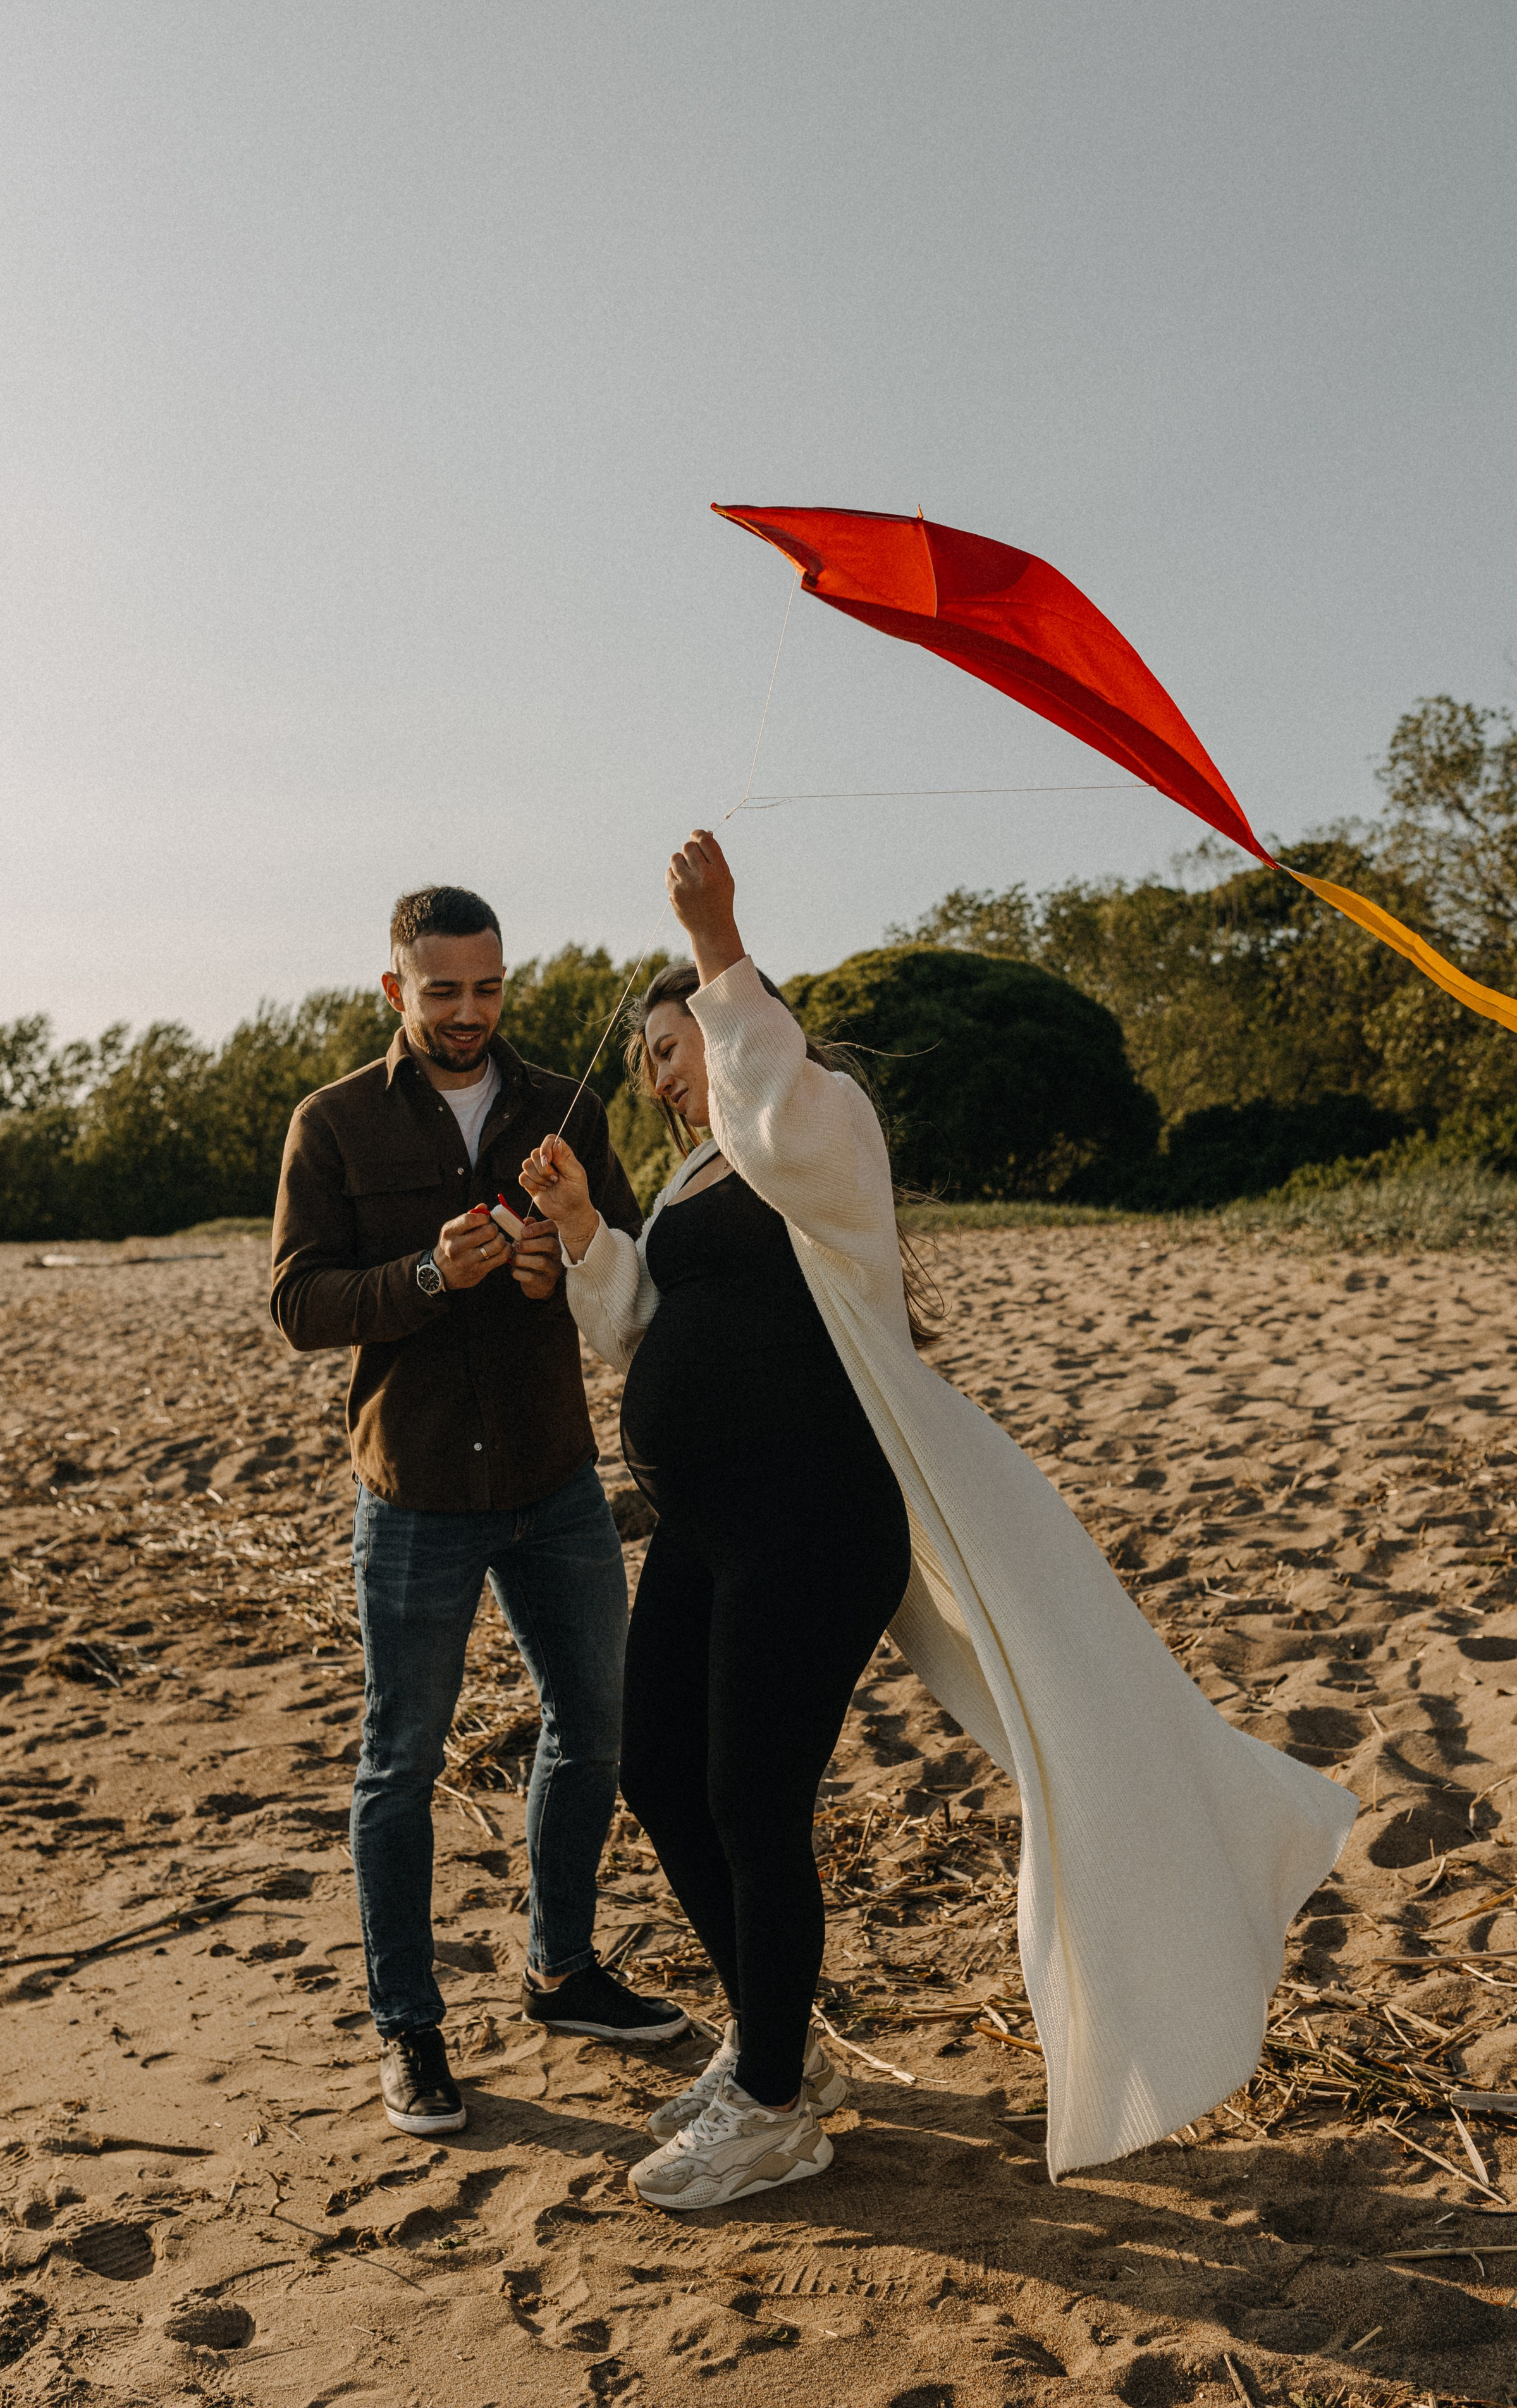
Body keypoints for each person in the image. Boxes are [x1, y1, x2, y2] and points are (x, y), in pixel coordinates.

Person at [522, 832, 1356, 2212]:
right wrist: (581, 1233)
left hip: (812, 1522)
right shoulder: (683, 1185)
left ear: (736, 1023)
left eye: (671, 1043)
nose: (657, 1072)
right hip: (704, 1526)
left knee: (749, 1800)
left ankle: (777, 2106)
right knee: (657, 1775)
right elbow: (637, 1336)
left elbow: (778, 1113)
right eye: (651, 1058)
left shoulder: (819, 1126)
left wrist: (718, 941)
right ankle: (774, 2048)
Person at [271, 883, 687, 2142]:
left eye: (488, 987)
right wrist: (418, 1276)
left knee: (598, 1722)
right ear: (395, 990)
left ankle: (560, 1971)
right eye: (441, 990)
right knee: (400, 1763)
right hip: (411, 1490)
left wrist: (549, 1259)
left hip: (553, 1476)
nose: (468, 1012)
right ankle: (408, 2027)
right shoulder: (332, 1122)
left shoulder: (568, 1103)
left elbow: (615, 1254)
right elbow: (297, 1303)